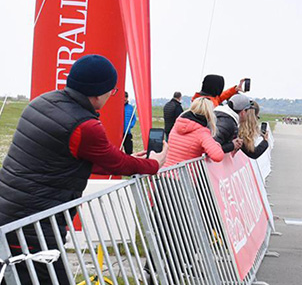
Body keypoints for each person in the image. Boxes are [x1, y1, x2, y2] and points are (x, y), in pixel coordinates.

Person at [0, 55, 164, 285]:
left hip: (11, 212)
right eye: (112, 90)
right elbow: (116, 163)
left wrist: (129, 158)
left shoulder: (42, 102)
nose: (111, 96)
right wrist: (154, 163)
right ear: (98, 93)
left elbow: (72, 159)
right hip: (35, 224)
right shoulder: (84, 125)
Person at [164, 97, 225, 166]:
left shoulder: (177, 124)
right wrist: (216, 144)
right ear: (209, 114)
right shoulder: (202, 132)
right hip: (185, 174)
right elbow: (218, 156)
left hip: (166, 171)